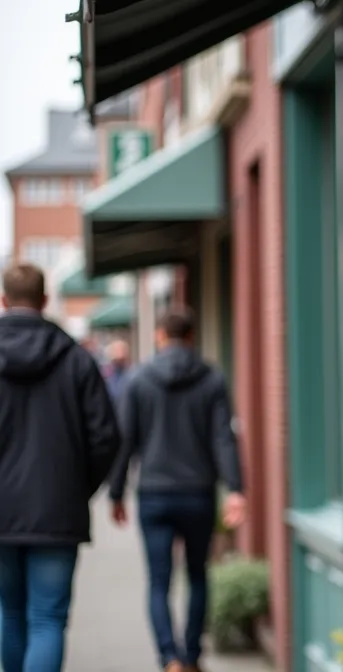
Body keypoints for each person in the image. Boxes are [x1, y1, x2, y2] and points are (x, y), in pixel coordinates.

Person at [108, 307, 246, 672]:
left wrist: (116, 492)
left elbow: (125, 441)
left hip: (153, 494)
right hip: (198, 493)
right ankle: (192, 655)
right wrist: (235, 489)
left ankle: (169, 658)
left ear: (159, 336)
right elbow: (223, 438)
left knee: (158, 581)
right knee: (198, 574)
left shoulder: (138, 380)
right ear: (191, 337)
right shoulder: (212, 379)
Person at [0, 263, 122, 672]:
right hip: (57, 509)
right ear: (45, 300)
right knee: (47, 618)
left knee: (9, 612)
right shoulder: (77, 360)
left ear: (3, 301)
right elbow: (106, 437)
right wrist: (75, 487)